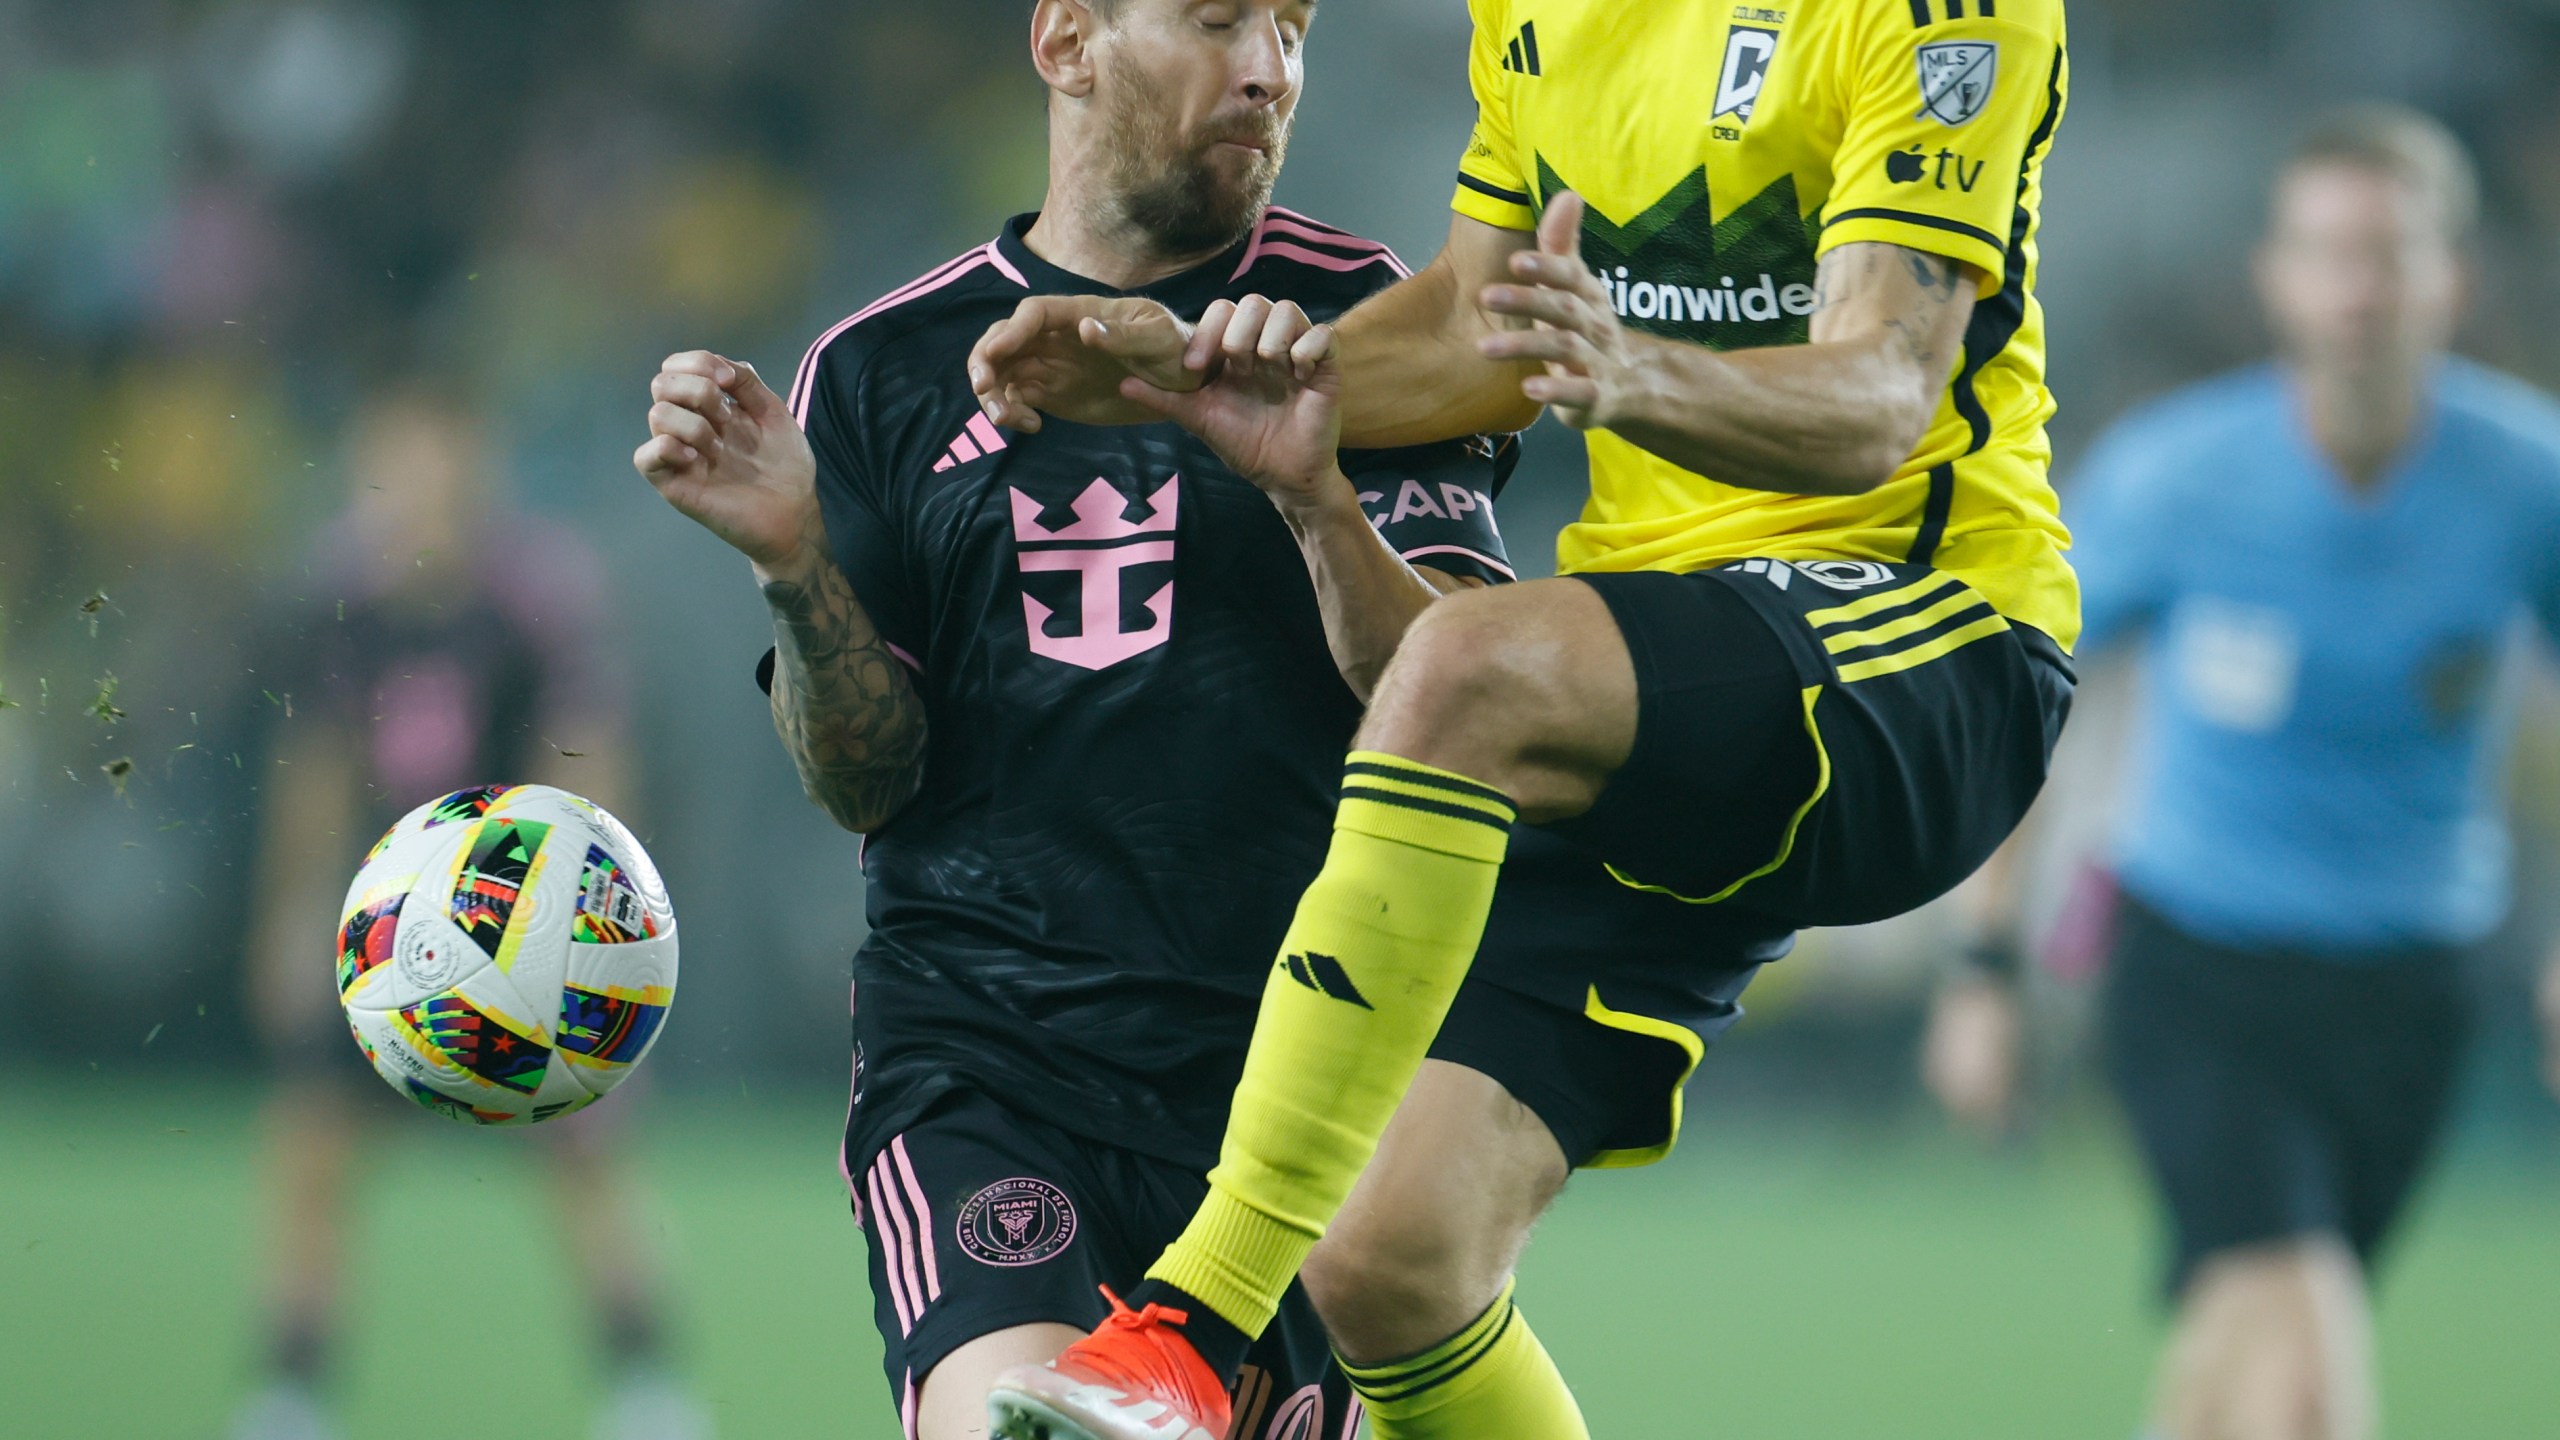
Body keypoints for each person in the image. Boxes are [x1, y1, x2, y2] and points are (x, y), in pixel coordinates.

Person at [966, 0, 2079, 1436]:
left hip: (1928, 640)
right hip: (1669, 669)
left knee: (1465, 665)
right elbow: (1477, 330)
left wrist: (1637, 372)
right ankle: (1233, 1314)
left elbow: (1879, 393)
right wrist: (1173, 375)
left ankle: (1185, 1328)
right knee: (1389, 1259)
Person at [629, 2, 1524, 1436]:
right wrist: (797, 570)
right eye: (1221, 18)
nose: (1268, 68)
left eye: (1294, 28)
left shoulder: (1364, 325)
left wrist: (1313, 496)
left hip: (1299, 1098)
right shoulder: (880, 368)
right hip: (993, 1063)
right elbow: (862, 782)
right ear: (1067, 40)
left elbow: (1470, 709)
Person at [1921, 107, 2560, 1440]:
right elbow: (2021, 707)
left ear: (2455, 277)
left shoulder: (2525, 482)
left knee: (2239, 1355)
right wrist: (1984, 971)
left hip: (2414, 991)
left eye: (2390, 254)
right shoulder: (2177, 476)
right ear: (2274, 277)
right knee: (2310, 1366)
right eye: (2327, 253)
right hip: (2199, 971)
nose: (2359, 290)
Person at [236, 385, 712, 1440]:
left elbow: (588, 747)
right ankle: (291, 1392)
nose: (417, 481)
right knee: (312, 1149)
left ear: (473, 462)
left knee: (586, 1154)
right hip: (380, 929)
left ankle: (646, 1389)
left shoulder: (531, 598)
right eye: (394, 457)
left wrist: (587, 912)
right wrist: (287, 915)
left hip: (520, 929)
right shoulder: (339, 603)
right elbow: (313, 767)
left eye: (436, 455)